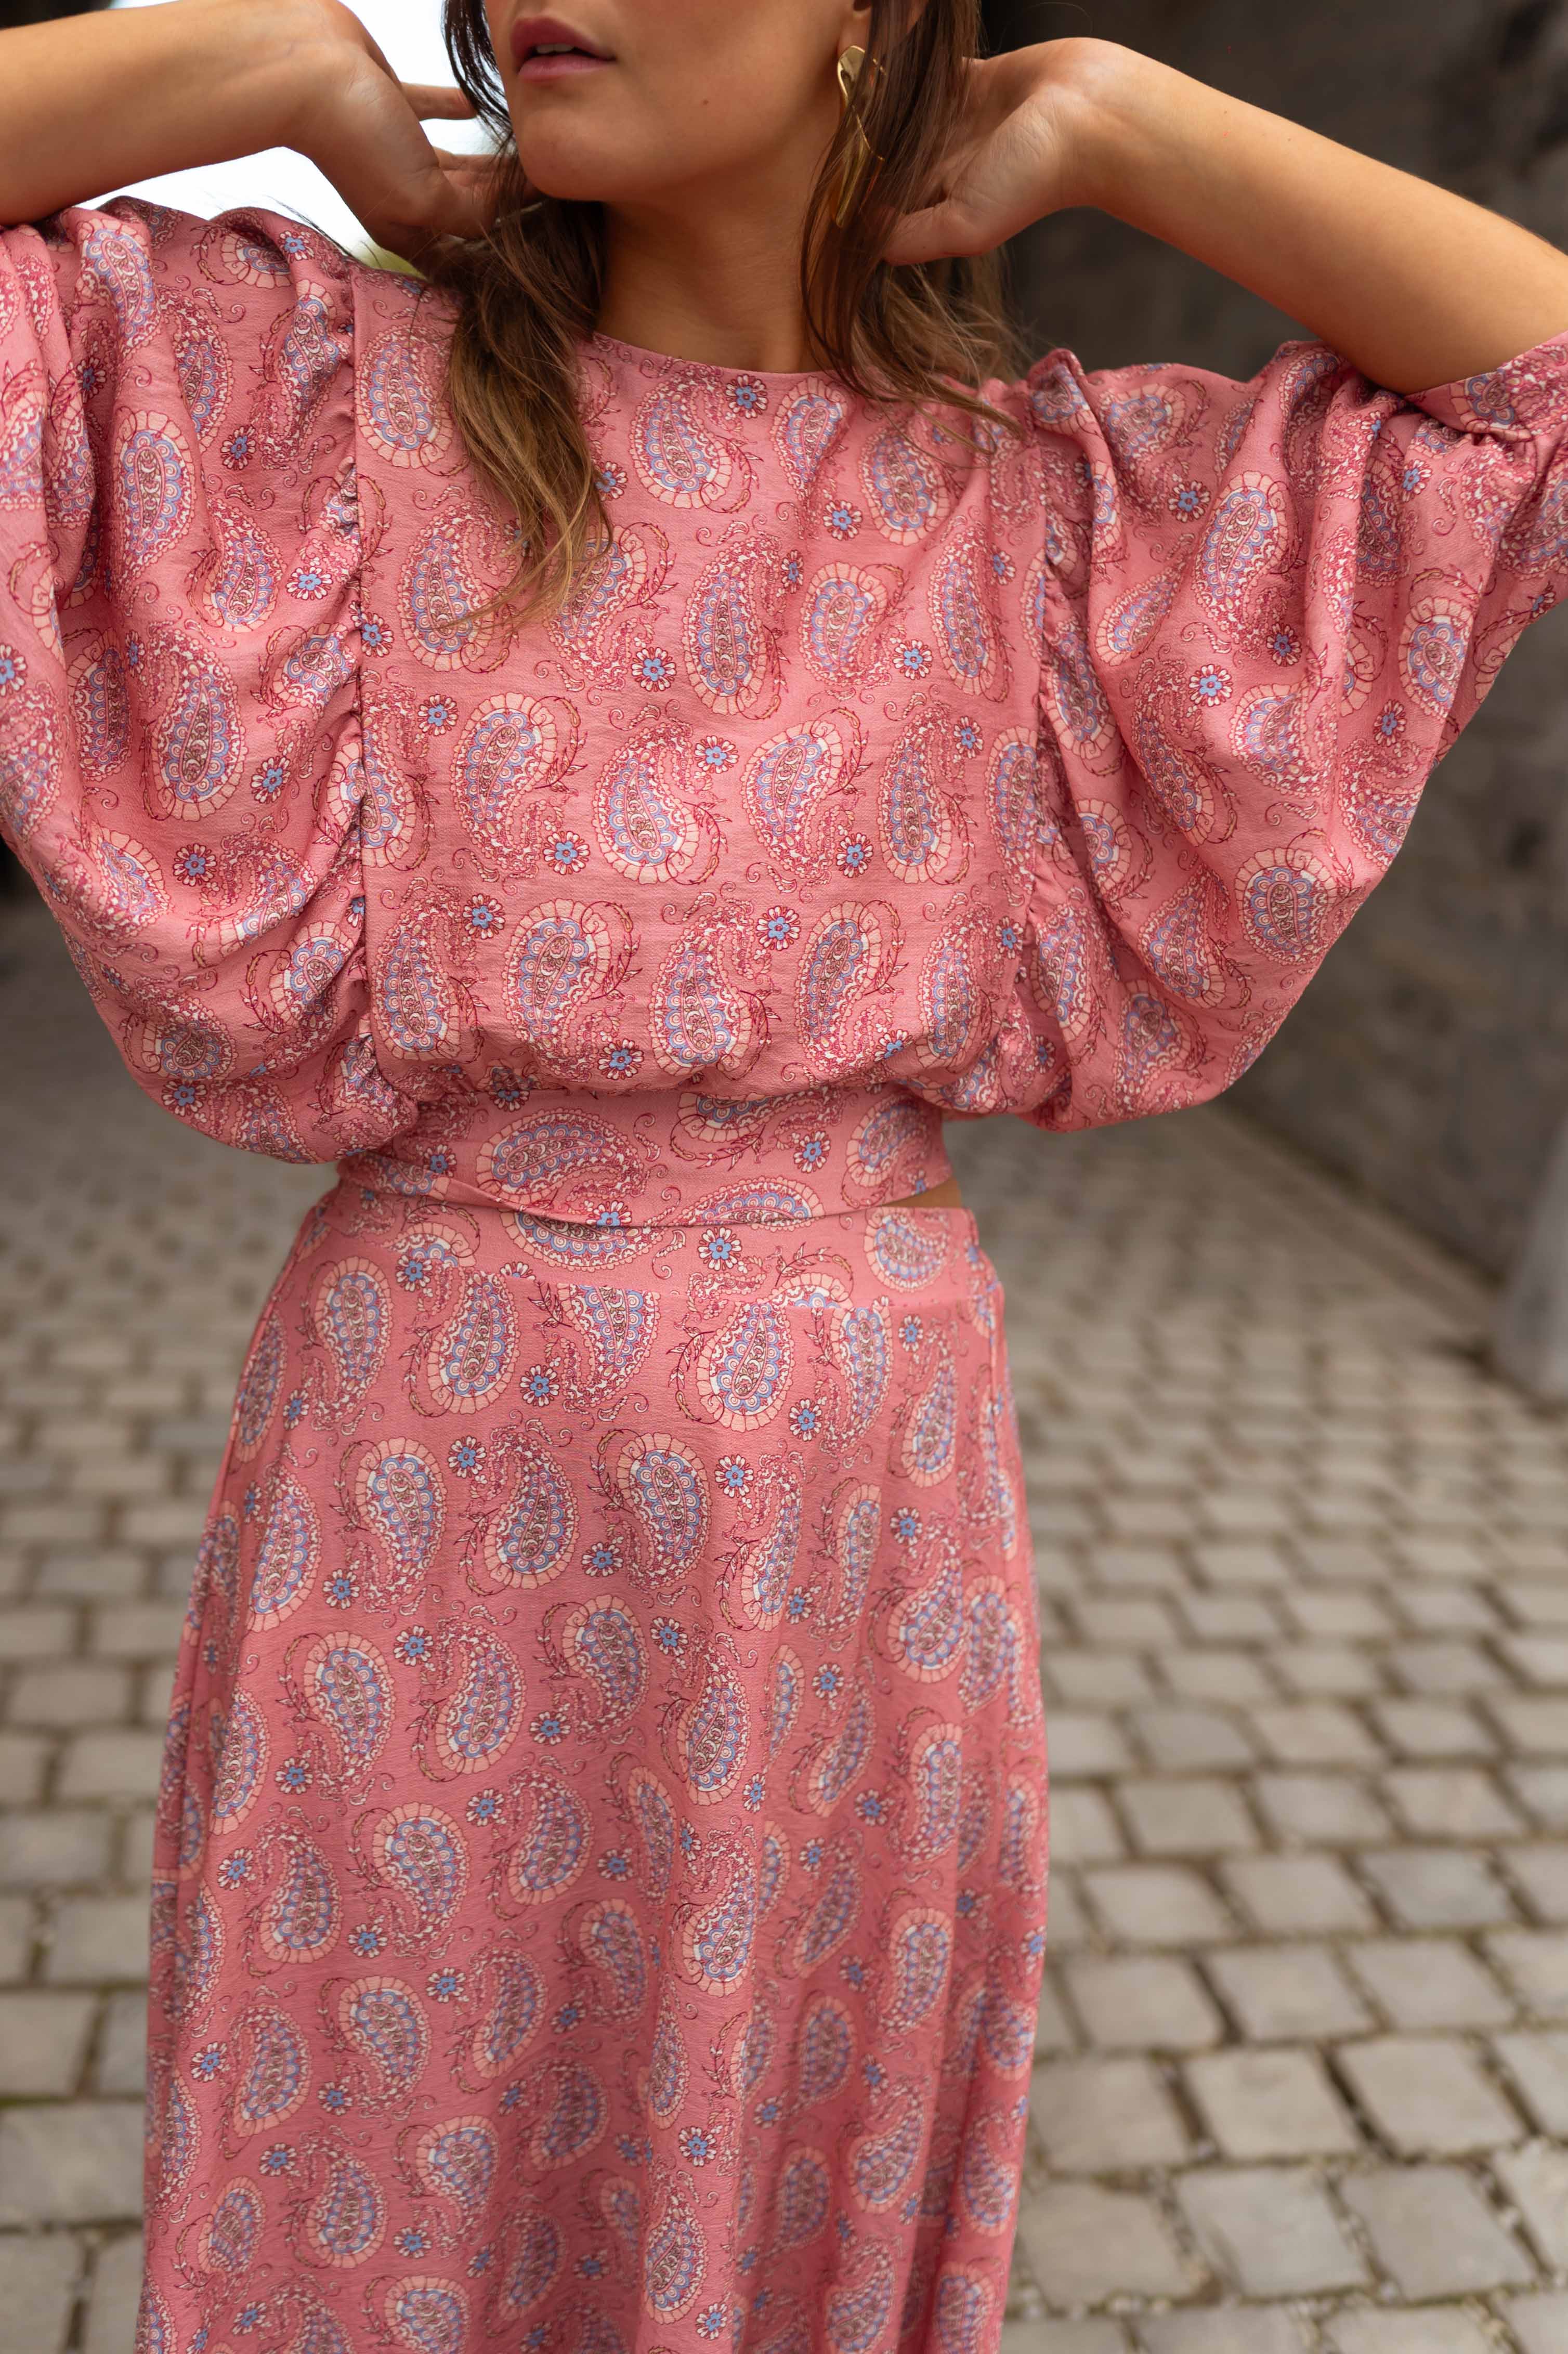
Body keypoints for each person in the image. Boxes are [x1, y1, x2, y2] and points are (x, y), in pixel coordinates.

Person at [2, 2, 1567, 2345]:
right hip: (423, 1470)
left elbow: (1532, 400)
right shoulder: (310, 405)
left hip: (852, 1521)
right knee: (373, 2186)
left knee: (757, 2187)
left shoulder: (1048, 516)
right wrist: (285, 77)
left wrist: (1121, 123)